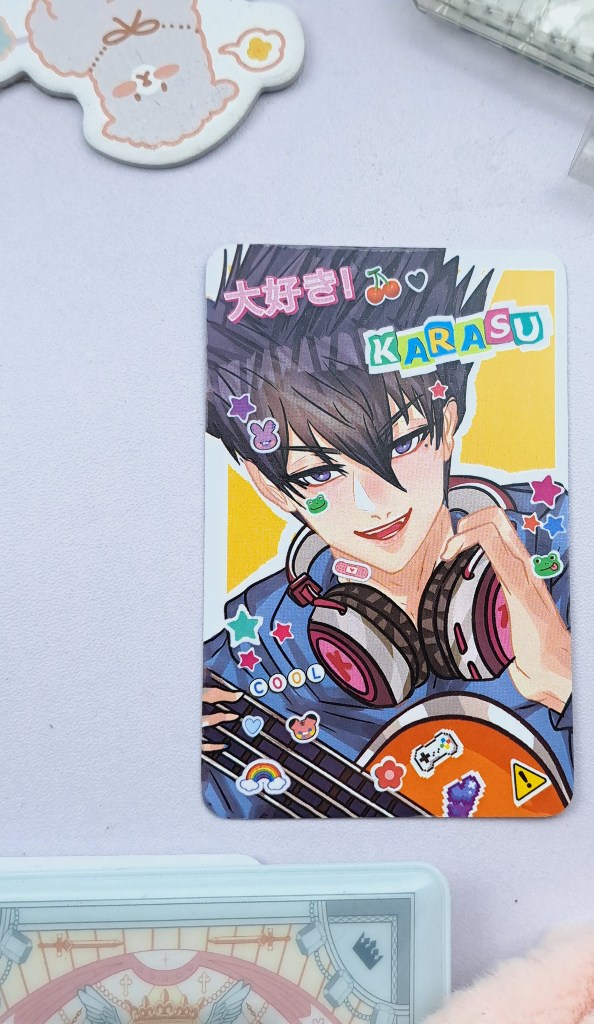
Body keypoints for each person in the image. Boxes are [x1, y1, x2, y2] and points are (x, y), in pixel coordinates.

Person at [203, 244, 572, 818]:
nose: (374, 502)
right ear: (271, 488)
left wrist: (561, 679)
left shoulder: (563, 541)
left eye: (403, 443)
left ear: (448, 423)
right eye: (319, 473)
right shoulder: (260, 651)